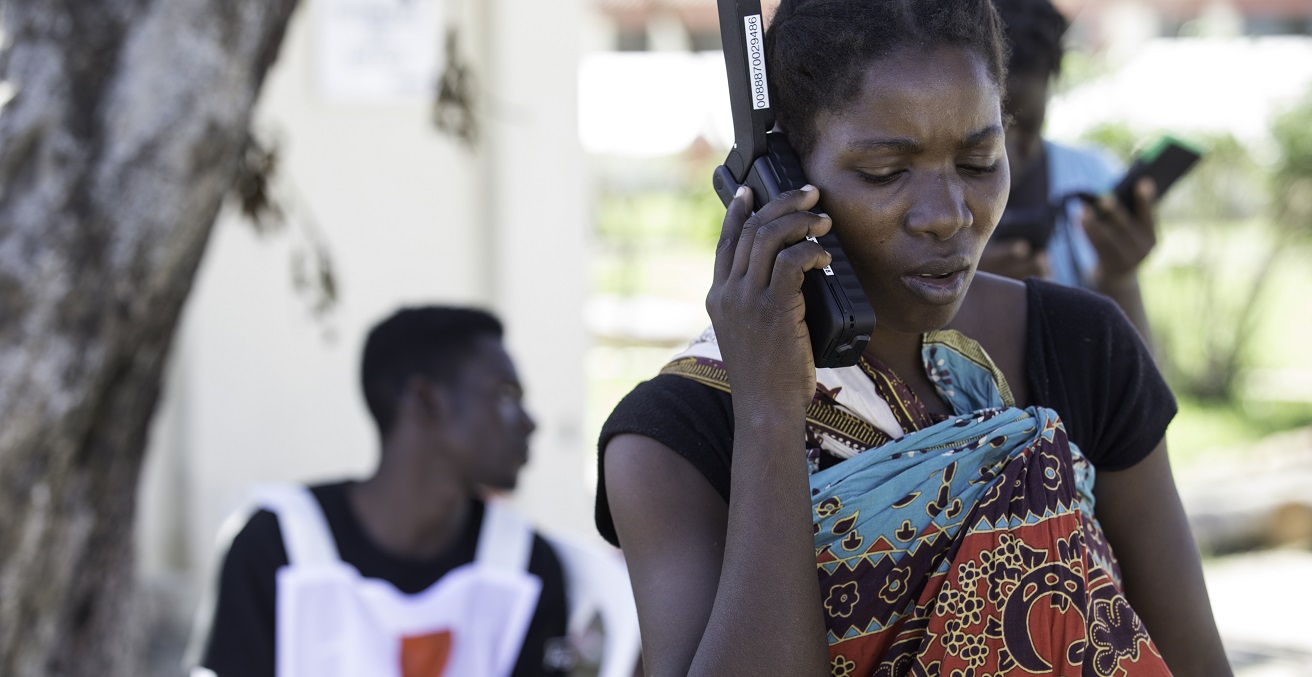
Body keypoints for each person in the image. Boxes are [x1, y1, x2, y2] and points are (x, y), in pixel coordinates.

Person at [595, 1, 1229, 675]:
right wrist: (769, 413)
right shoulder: (672, 437)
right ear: (779, 173)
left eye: (980, 161)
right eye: (885, 172)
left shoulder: (1083, 346)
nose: (948, 214)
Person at [191, 306, 590, 677]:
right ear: (425, 399)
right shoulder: (275, 546)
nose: (529, 422)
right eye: (505, 395)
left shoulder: (527, 563)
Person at [979, 0, 1158, 339]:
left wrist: (1118, 277)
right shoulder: (932, 200)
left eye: (1028, 126)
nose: (1008, 152)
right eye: (993, 127)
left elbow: (1140, 377)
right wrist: (959, 286)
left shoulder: (1093, 177)